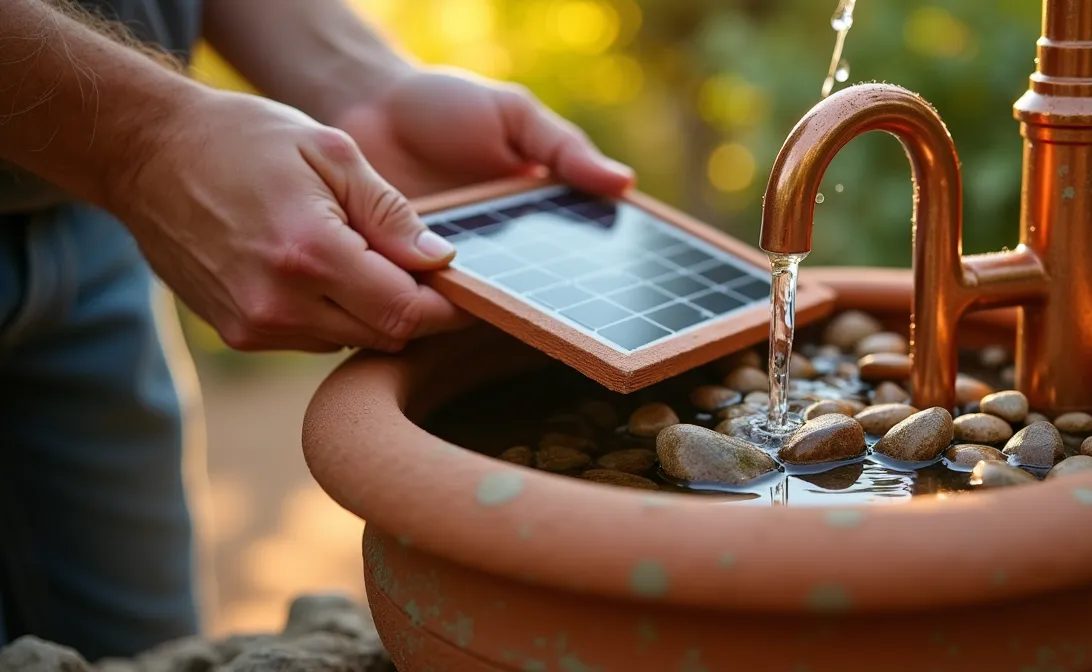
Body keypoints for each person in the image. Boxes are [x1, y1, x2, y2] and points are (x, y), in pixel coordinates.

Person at [0, 0, 635, 659]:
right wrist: (142, 141)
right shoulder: (136, 142)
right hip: (103, 163)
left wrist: (362, 86)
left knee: (152, 648)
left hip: (87, 227)